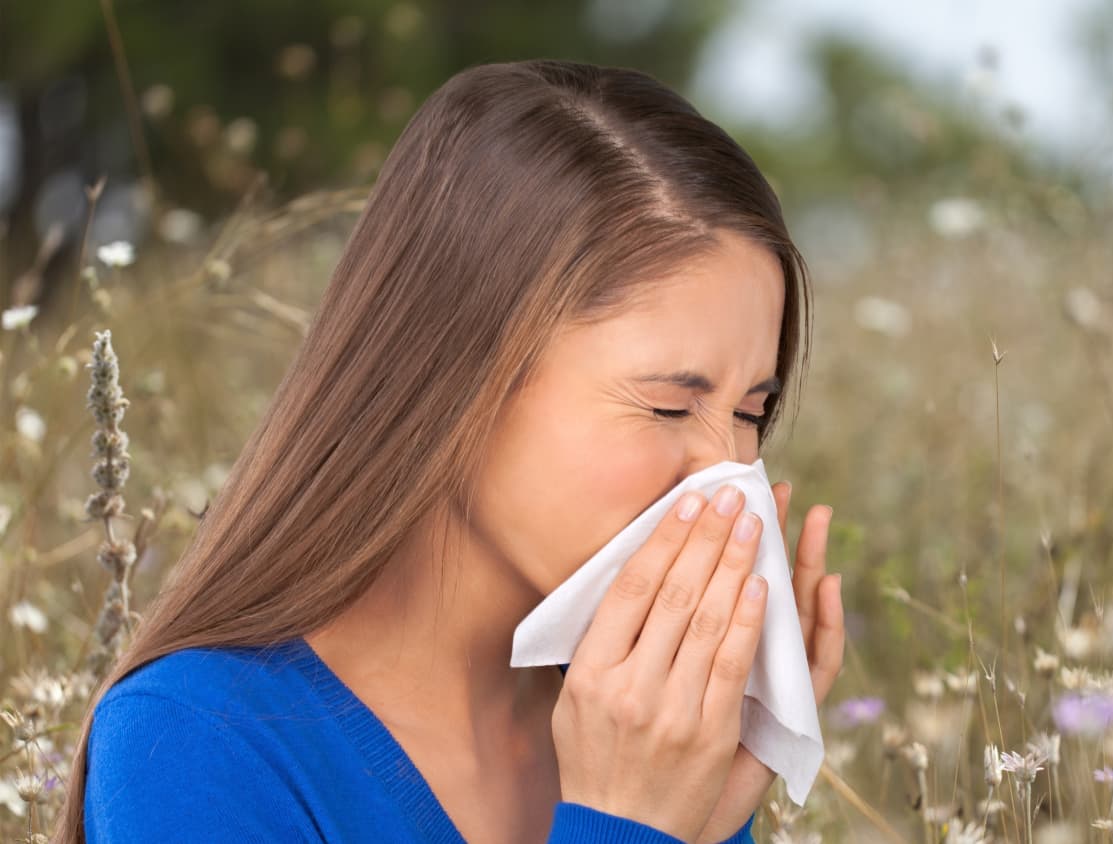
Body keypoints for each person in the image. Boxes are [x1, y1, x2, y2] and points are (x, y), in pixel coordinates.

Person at [55, 59, 845, 843]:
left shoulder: (644, 728)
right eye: (669, 405)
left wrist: (702, 825)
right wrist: (629, 825)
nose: (725, 474)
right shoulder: (198, 746)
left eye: (752, 411)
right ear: (459, 375)